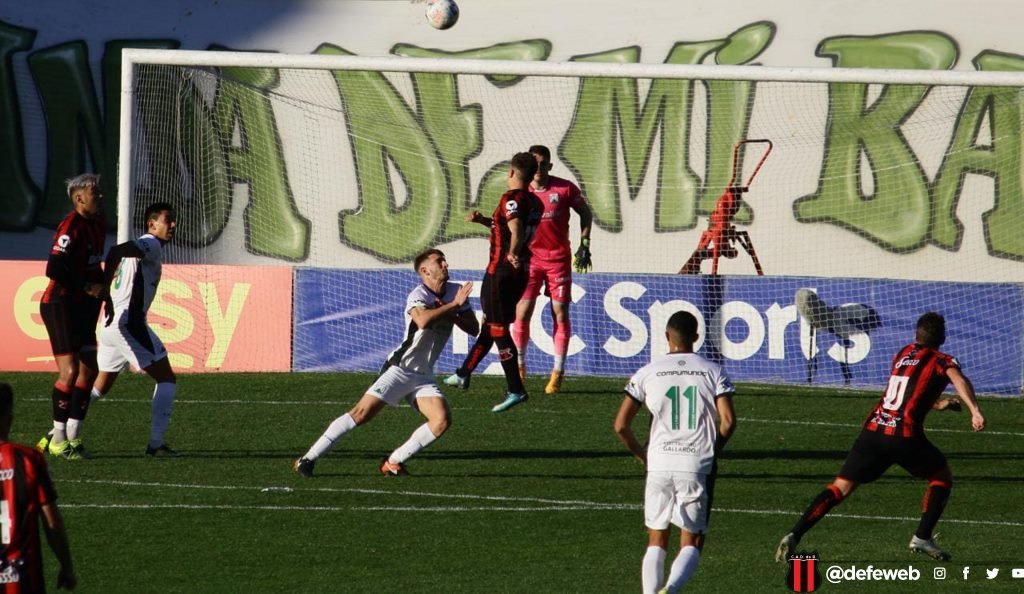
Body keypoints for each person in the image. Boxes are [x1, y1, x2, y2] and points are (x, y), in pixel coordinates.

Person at [775, 312, 986, 563]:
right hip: (904, 437)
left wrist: (939, 404)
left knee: (839, 488)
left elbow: (904, 392)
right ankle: (922, 536)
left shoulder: (903, 354)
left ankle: (794, 534)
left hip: (873, 433)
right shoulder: (942, 360)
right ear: (942, 338)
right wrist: (975, 410)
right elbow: (959, 380)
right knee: (941, 477)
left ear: (916, 335)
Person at [293, 249, 478, 477]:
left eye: (444, 260)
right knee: (361, 413)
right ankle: (307, 458)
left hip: (423, 374)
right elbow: (422, 320)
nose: (445, 264)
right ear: (425, 270)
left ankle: (393, 462)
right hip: (399, 368)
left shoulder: (456, 291)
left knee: (441, 420)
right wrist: (452, 306)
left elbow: (473, 328)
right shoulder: (418, 294)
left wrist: (455, 310)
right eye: (439, 261)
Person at [614, 311, 736, 594]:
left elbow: (620, 425)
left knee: (656, 539)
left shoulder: (647, 372)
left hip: (658, 462)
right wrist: (712, 450)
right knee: (691, 541)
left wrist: (642, 456)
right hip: (696, 463)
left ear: (667, 336)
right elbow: (728, 422)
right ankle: (671, 588)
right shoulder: (713, 371)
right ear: (696, 337)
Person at [443, 152, 542, 413]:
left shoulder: (511, 198)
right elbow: (507, 228)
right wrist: (484, 221)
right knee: (492, 324)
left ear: (511, 172)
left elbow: (516, 229)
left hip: (500, 271)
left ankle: (516, 389)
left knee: (498, 328)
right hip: (520, 273)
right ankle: (464, 372)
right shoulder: (534, 201)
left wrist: (512, 253)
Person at [90, 202, 181, 457]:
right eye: (168, 220)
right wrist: (104, 286)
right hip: (128, 323)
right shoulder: (150, 242)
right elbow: (116, 250)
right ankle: (156, 444)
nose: (173, 225)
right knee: (166, 378)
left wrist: (107, 288)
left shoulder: (144, 248)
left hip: (110, 325)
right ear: (152, 224)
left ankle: (58, 432)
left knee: (99, 387)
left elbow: (117, 254)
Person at [37, 173, 107, 460]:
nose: (100, 196)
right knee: (69, 372)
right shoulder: (70, 226)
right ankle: (57, 440)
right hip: (60, 304)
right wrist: (87, 286)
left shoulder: (98, 224)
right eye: (94, 193)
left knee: (89, 369)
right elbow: (53, 268)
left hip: (83, 305)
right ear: (79, 198)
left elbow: (93, 265)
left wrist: (103, 293)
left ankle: (73, 436)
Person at [514, 144, 593, 395]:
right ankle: (519, 367)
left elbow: (585, 212)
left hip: (558, 260)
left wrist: (585, 243)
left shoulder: (565, 188)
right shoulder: (520, 191)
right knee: (522, 312)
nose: (538, 168)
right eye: (534, 164)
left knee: (559, 313)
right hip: (530, 260)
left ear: (549, 165)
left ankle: (557, 372)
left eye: (542, 164)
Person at [0, 383, 77, 591]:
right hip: (22, 576)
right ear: (9, 418)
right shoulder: (28, 460)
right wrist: (67, 566)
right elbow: (52, 522)